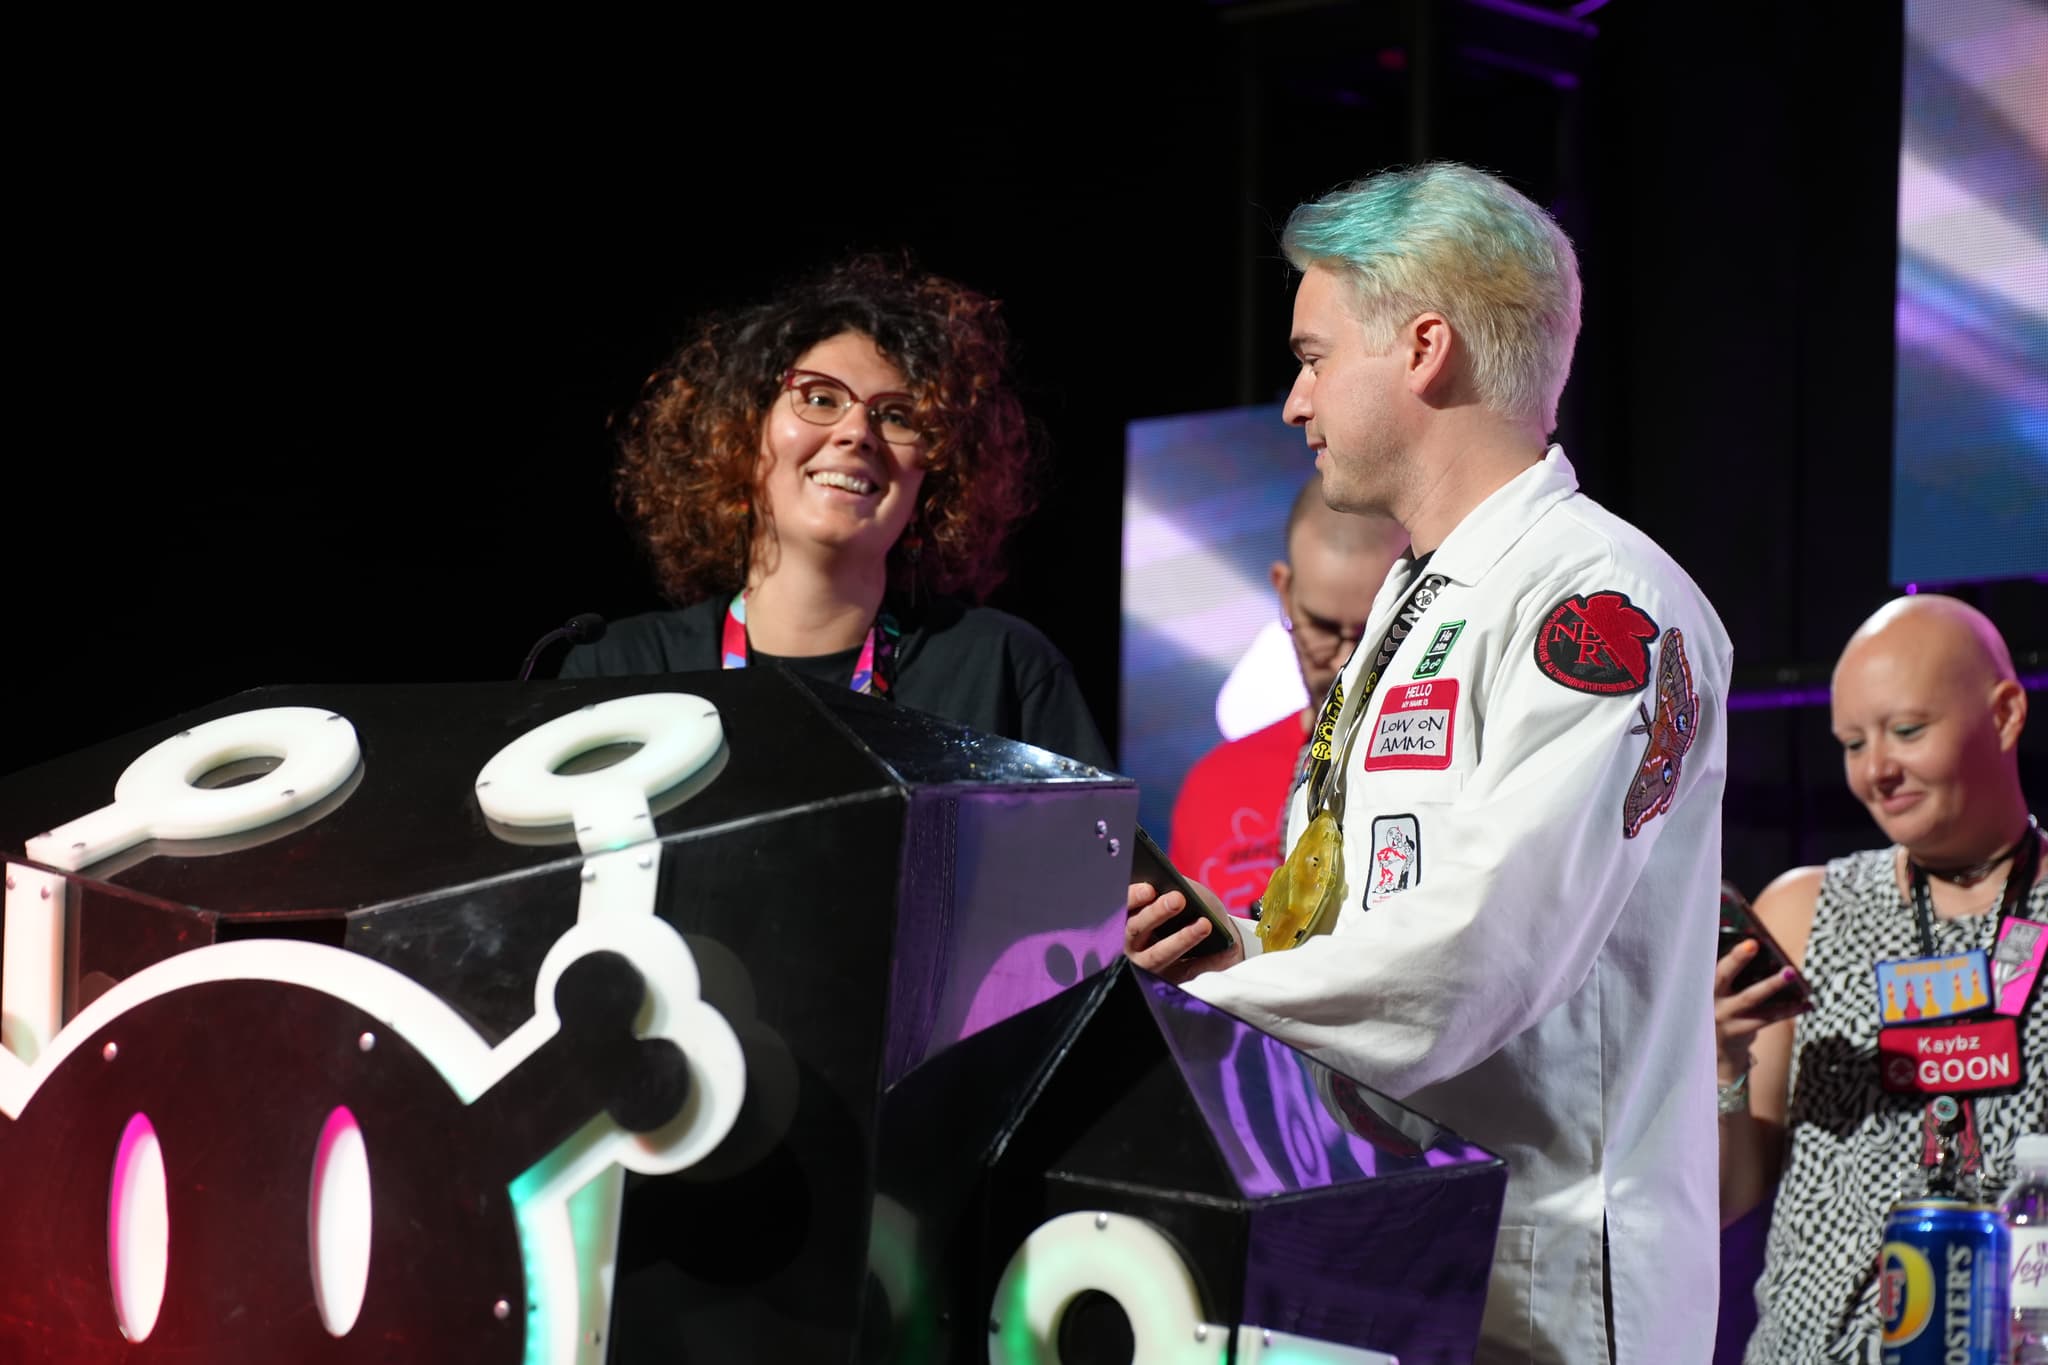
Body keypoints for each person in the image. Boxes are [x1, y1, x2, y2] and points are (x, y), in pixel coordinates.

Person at [1124, 162, 1732, 1365]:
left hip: (1543, 1281)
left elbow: (1475, 957)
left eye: (1309, 356)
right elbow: (1368, 929)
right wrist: (1230, 949)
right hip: (1388, 1245)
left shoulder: (1599, 600)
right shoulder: (1415, 596)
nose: (1292, 404)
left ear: (1421, 349)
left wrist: (1184, 1016)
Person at [560, 254, 1111, 769]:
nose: (857, 433)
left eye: (897, 416)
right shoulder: (618, 670)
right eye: (821, 398)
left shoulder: (1001, 669)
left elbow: (1110, 867)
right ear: (742, 434)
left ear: (934, 474)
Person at [1716, 594, 2043, 1363]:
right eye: (1852, 742)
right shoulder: (1806, 909)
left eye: (1906, 730)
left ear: (2003, 715)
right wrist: (1724, 1058)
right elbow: (1728, 1197)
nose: (1877, 770)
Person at [1168, 474, 1406, 913]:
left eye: (1372, 633)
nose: (1344, 662)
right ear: (1284, 592)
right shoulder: (1212, 785)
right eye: (1323, 629)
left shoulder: (1440, 772)